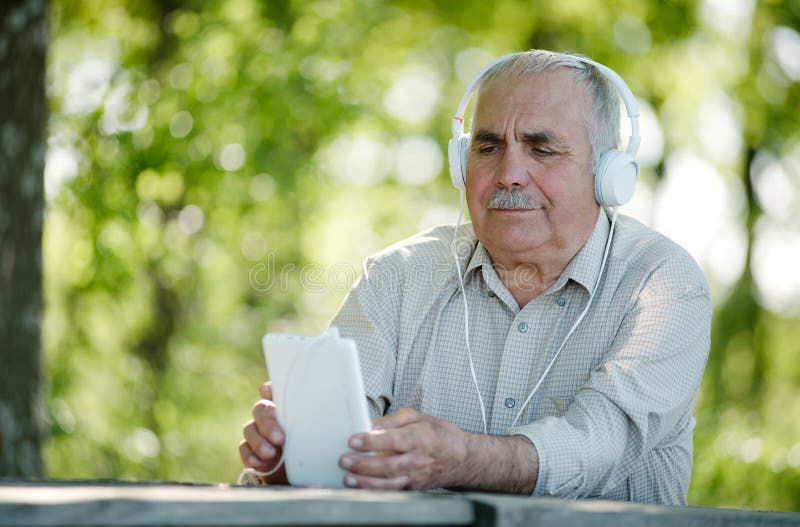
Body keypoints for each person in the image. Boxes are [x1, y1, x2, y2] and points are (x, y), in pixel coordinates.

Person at [238, 50, 711, 504]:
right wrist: (291, 462)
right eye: (488, 146)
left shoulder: (663, 284)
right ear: (461, 163)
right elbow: (338, 454)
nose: (509, 174)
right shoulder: (398, 276)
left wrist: (461, 458)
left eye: (541, 149)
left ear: (608, 173)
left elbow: (600, 443)